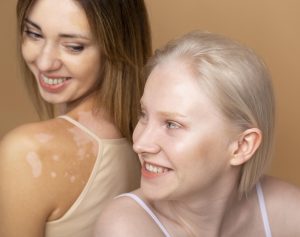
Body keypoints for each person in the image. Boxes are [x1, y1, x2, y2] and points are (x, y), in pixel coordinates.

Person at [94, 31, 300, 237]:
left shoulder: (290, 213)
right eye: (143, 114)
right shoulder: (125, 226)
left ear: (241, 146)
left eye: (172, 124)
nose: (140, 144)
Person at [0, 0, 151, 236]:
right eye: (33, 33)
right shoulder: (150, 143)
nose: (44, 62)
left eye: (73, 46)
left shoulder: (28, 151)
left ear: (116, 46)